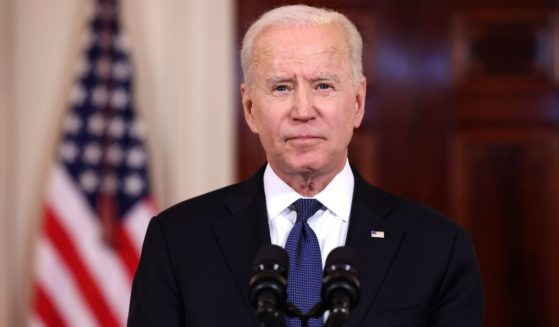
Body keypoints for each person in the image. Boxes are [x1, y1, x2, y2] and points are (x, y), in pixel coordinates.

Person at [128, 4, 484, 327]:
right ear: (250, 108)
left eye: (323, 86)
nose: (303, 110)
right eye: (281, 88)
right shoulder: (178, 241)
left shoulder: (438, 247)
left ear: (357, 103)